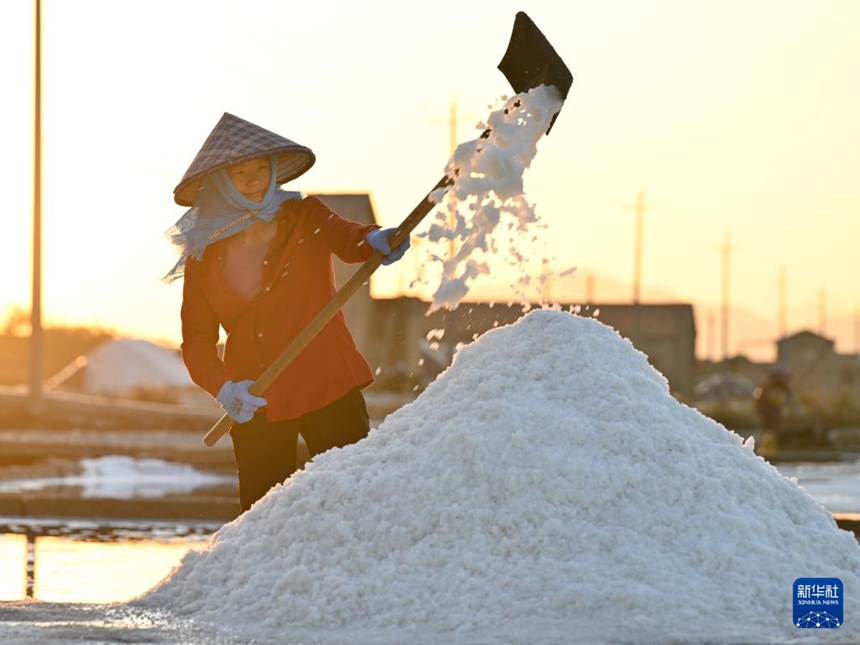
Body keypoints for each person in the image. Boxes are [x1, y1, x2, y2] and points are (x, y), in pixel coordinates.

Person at [164, 113, 409, 512]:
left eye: (261, 167)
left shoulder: (305, 217)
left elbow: (350, 239)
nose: (255, 179)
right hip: (257, 397)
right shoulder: (204, 255)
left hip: (327, 382)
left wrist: (375, 238)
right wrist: (225, 389)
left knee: (353, 499)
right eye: (240, 172)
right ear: (220, 183)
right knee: (261, 515)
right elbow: (197, 341)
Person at [754, 365, 792, 457]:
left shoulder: (784, 388)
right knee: (769, 431)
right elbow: (760, 400)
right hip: (769, 412)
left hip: (775, 412)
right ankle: (766, 451)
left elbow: (788, 399)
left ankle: (769, 450)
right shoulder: (768, 387)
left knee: (772, 431)